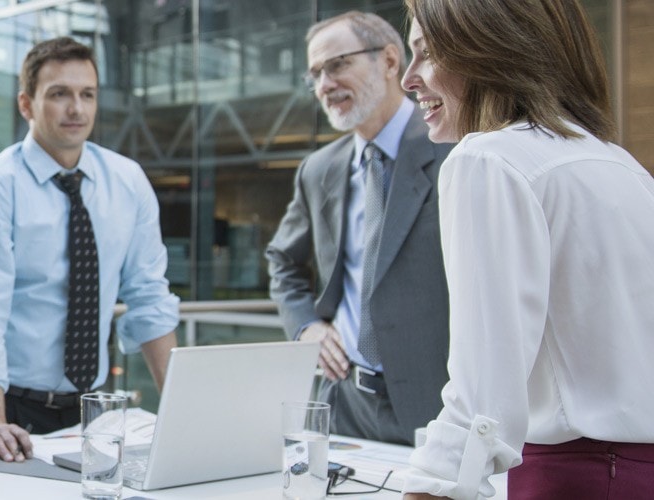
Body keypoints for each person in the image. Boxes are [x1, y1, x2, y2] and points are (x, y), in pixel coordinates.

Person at [391, 0, 654, 498]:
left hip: (575, 478)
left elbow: (481, 402)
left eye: (427, 53)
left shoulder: (488, 158)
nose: (409, 78)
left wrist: (429, 487)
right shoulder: (621, 165)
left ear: (488, 48)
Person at [0, 37, 180, 462]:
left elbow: (150, 298)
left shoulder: (127, 182)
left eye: (87, 94)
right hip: (7, 408)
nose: (76, 108)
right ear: (26, 104)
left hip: (91, 413)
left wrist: (185, 413)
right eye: (59, 94)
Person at [263, 11, 455, 446]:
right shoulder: (319, 169)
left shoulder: (452, 150)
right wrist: (306, 326)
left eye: (337, 65)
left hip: (438, 406)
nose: (324, 85)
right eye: (315, 74)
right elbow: (282, 260)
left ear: (390, 61)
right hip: (343, 403)